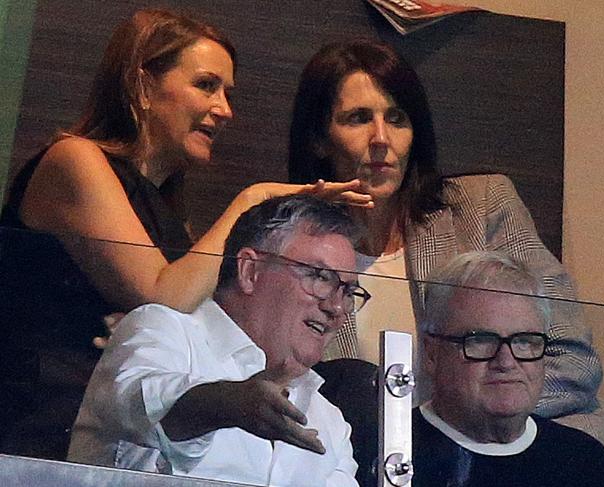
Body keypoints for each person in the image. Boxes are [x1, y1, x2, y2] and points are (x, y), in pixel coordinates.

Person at [0, 8, 367, 459]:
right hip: (31, 423)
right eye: (206, 85)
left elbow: (174, 320)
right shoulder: (73, 160)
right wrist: (254, 199)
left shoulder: (172, 213)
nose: (224, 109)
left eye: (227, 92)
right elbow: (161, 299)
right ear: (142, 86)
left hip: (111, 431)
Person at [287, 38, 604, 472]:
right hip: (380, 468)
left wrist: (462, 413)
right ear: (319, 139)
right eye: (359, 119)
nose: (381, 139)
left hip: (546, 460)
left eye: (397, 118)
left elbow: (573, 363)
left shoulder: (482, 206)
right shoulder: (292, 251)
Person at [67, 195, 364, 486]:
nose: (336, 308)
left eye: (348, 292)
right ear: (251, 271)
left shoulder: (329, 421)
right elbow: (140, 407)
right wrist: (223, 404)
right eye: (320, 277)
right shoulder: (163, 331)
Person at [412, 251, 604, 487]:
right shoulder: (391, 449)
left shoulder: (584, 460)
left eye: (524, 341)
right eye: (482, 340)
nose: (506, 362)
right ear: (432, 353)